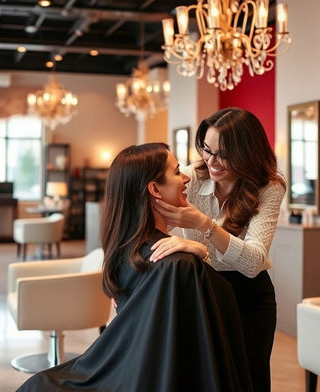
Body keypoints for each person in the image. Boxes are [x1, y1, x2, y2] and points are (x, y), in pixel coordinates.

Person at [16, 143, 253, 392]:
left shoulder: (124, 248)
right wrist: (198, 257)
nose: (185, 178)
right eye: (175, 172)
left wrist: (200, 253)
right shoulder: (177, 265)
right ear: (154, 189)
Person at [151, 108, 286, 392]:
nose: (212, 161)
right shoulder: (189, 177)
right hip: (203, 290)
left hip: (250, 297)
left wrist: (204, 226)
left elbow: (253, 263)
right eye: (207, 149)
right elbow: (146, 218)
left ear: (247, 152)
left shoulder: (269, 187)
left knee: (250, 379)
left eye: (223, 154)